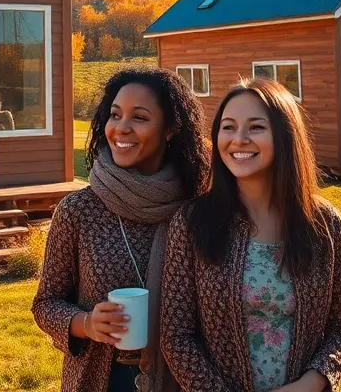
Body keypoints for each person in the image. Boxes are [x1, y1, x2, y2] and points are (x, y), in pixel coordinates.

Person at [160, 78, 341, 392]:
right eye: (228, 127)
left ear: (285, 136)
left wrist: (309, 384)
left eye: (255, 127)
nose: (238, 139)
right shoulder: (193, 222)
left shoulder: (323, 223)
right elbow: (176, 335)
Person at [32, 67, 212, 392]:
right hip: (101, 379)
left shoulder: (197, 211)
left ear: (170, 129)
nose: (121, 128)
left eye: (139, 118)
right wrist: (87, 324)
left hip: (184, 381)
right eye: (115, 115)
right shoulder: (79, 211)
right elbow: (46, 303)